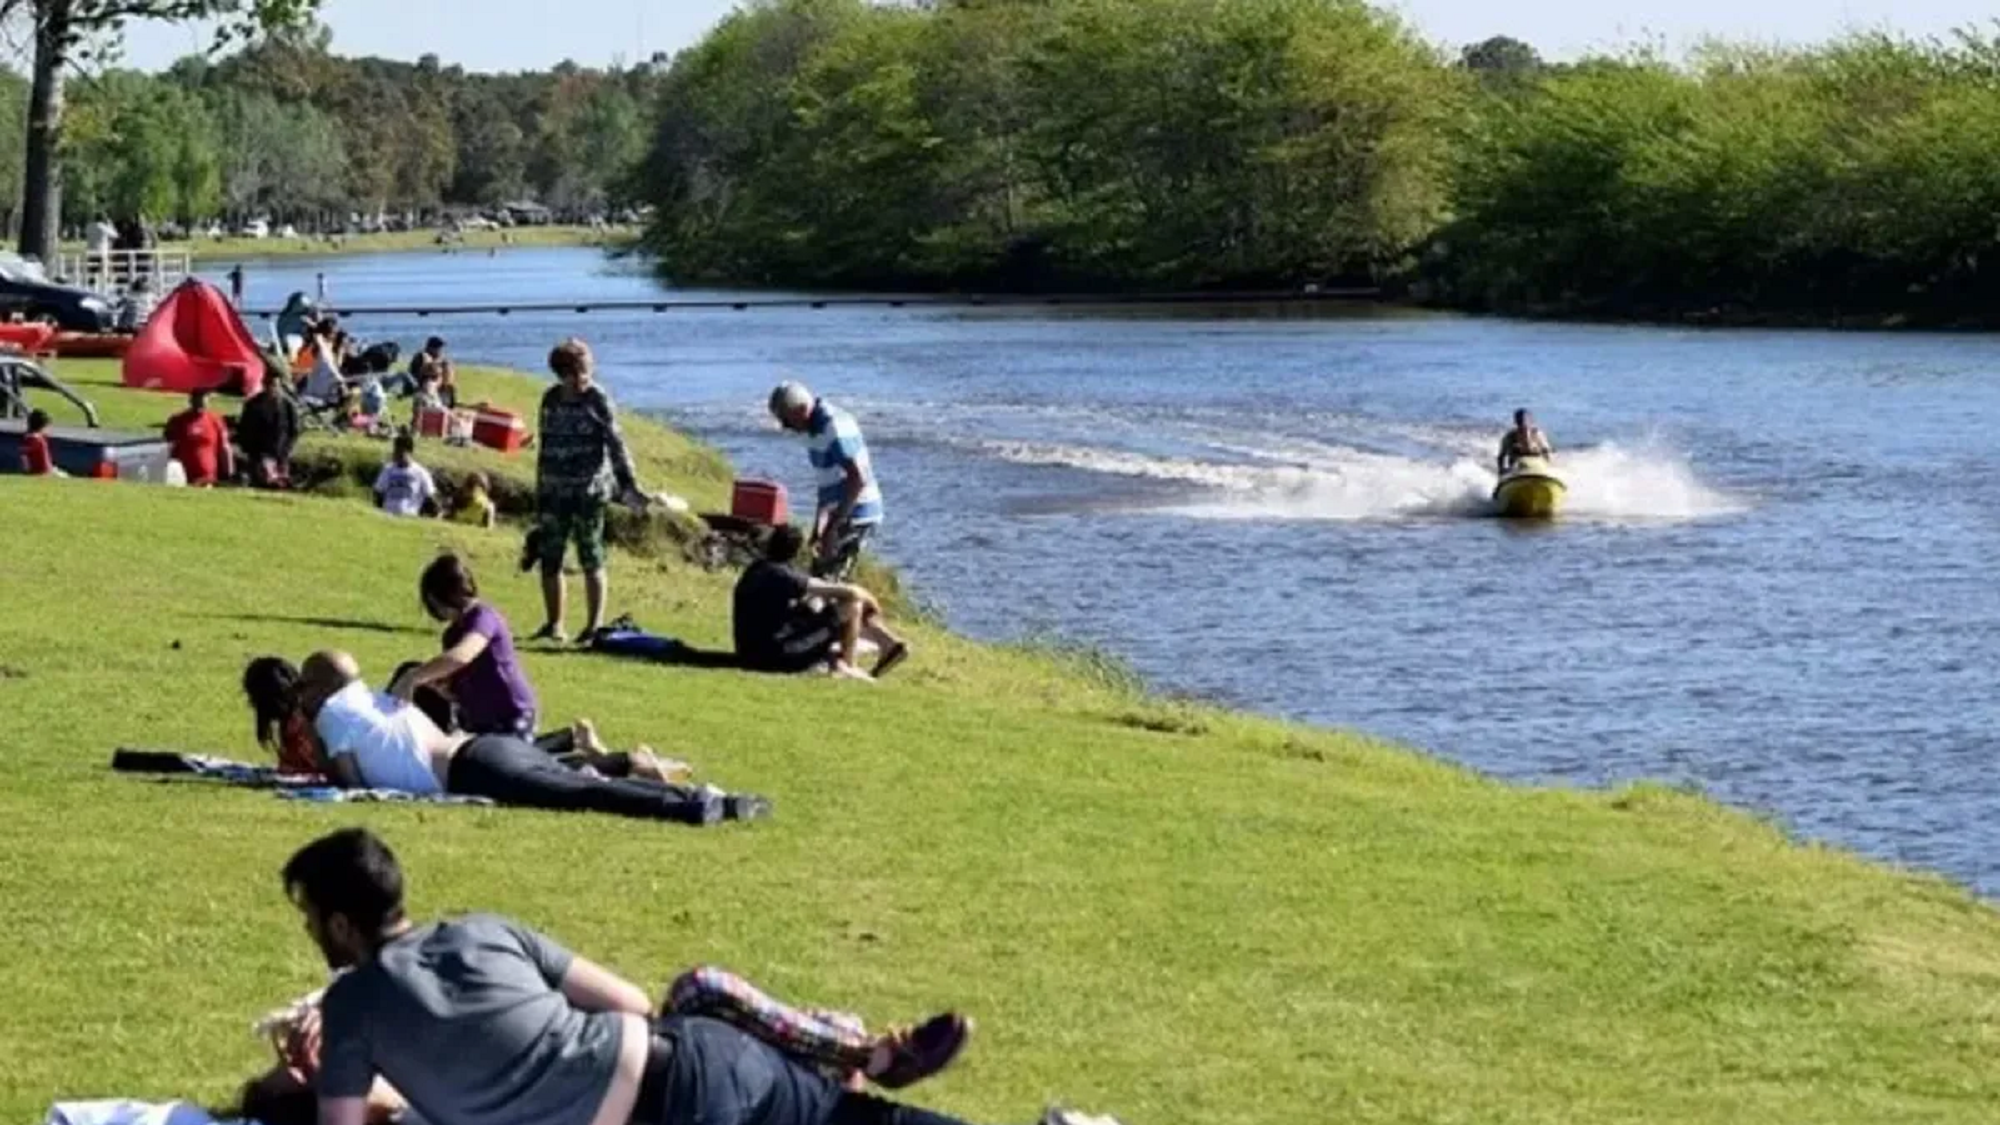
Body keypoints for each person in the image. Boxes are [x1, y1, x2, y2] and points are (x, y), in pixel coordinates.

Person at [280, 828, 1115, 1125]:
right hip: (702, 1059)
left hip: (671, 1111)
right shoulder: (485, 931)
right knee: (700, 992)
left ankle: (862, 1055)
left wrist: (328, 1076)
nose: (316, 933)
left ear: (344, 922)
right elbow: (633, 1003)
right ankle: (866, 1052)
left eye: (313, 918)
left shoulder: (352, 1005)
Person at [266, 650, 767, 824]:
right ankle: (714, 799)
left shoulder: (332, 716)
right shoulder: (370, 698)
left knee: (585, 792)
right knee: (582, 782)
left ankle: (695, 805)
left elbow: (351, 785)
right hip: (483, 747)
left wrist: (315, 738)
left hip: (474, 769)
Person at [533, 338, 649, 644]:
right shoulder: (551, 399)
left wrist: (629, 486)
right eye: (579, 370)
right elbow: (544, 447)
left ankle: (593, 627)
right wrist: (541, 491)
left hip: (590, 492)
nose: (585, 376)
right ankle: (554, 624)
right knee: (550, 558)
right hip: (555, 489)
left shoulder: (598, 399)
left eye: (586, 369)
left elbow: (616, 444)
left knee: (591, 557)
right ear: (563, 373)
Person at [734, 525, 909, 680]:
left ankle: (885, 643)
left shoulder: (758, 569)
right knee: (851, 605)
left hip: (750, 650)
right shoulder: (784, 575)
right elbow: (853, 593)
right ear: (795, 551)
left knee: (818, 602)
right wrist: (872, 601)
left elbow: (808, 595)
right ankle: (850, 666)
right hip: (775, 655)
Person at [392, 554, 538, 738]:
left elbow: (462, 655)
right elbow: (455, 687)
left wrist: (414, 677)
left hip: (510, 717)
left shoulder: (484, 617)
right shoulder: (451, 635)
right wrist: (438, 686)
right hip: (477, 722)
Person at [768, 381, 884, 581]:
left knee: (829, 581)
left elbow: (858, 479)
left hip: (856, 512)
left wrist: (833, 526)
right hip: (838, 512)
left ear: (802, 409)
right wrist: (819, 525)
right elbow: (827, 483)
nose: (786, 427)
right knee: (820, 576)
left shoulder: (833, 426)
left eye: (786, 421)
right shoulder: (811, 430)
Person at [238, 374, 301, 489]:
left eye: (275, 386)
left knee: (282, 476)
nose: (272, 389)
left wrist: (288, 450)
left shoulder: (288, 406)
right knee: (267, 474)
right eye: (269, 385)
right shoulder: (253, 405)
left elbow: (294, 430)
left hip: (281, 451)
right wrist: (249, 450)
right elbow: (244, 429)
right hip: (260, 452)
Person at [164, 388, 235, 487]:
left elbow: (224, 447)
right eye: (197, 398)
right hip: (182, 478)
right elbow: (168, 446)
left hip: (208, 478)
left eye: (203, 399)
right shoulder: (178, 420)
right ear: (191, 400)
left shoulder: (216, 420)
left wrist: (229, 473)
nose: (200, 402)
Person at [373, 433, 437, 518]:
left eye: (400, 451)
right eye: (395, 450)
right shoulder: (388, 470)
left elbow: (430, 498)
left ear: (409, 452)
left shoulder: (421, 472)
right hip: (387, 517)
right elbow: (379, 492)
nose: (396, 454)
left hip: (410, 517)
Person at [1496, 409, 1554, 476]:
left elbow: (1547, 452)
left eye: (1526, 424)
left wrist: (1548, 465)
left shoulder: (1538, 434)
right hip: (1516, 468)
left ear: (1531, 422)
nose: (1525, 431)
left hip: (1537, 466)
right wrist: (1501, 470)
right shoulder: (1509, 437)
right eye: (1520, 425)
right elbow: (1501, 456)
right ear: (1516, 423)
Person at [20, 408, 55, 475]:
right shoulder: (34, 439)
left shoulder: (36, 437)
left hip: (47, 471)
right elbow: (24, 456)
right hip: (43, 473)